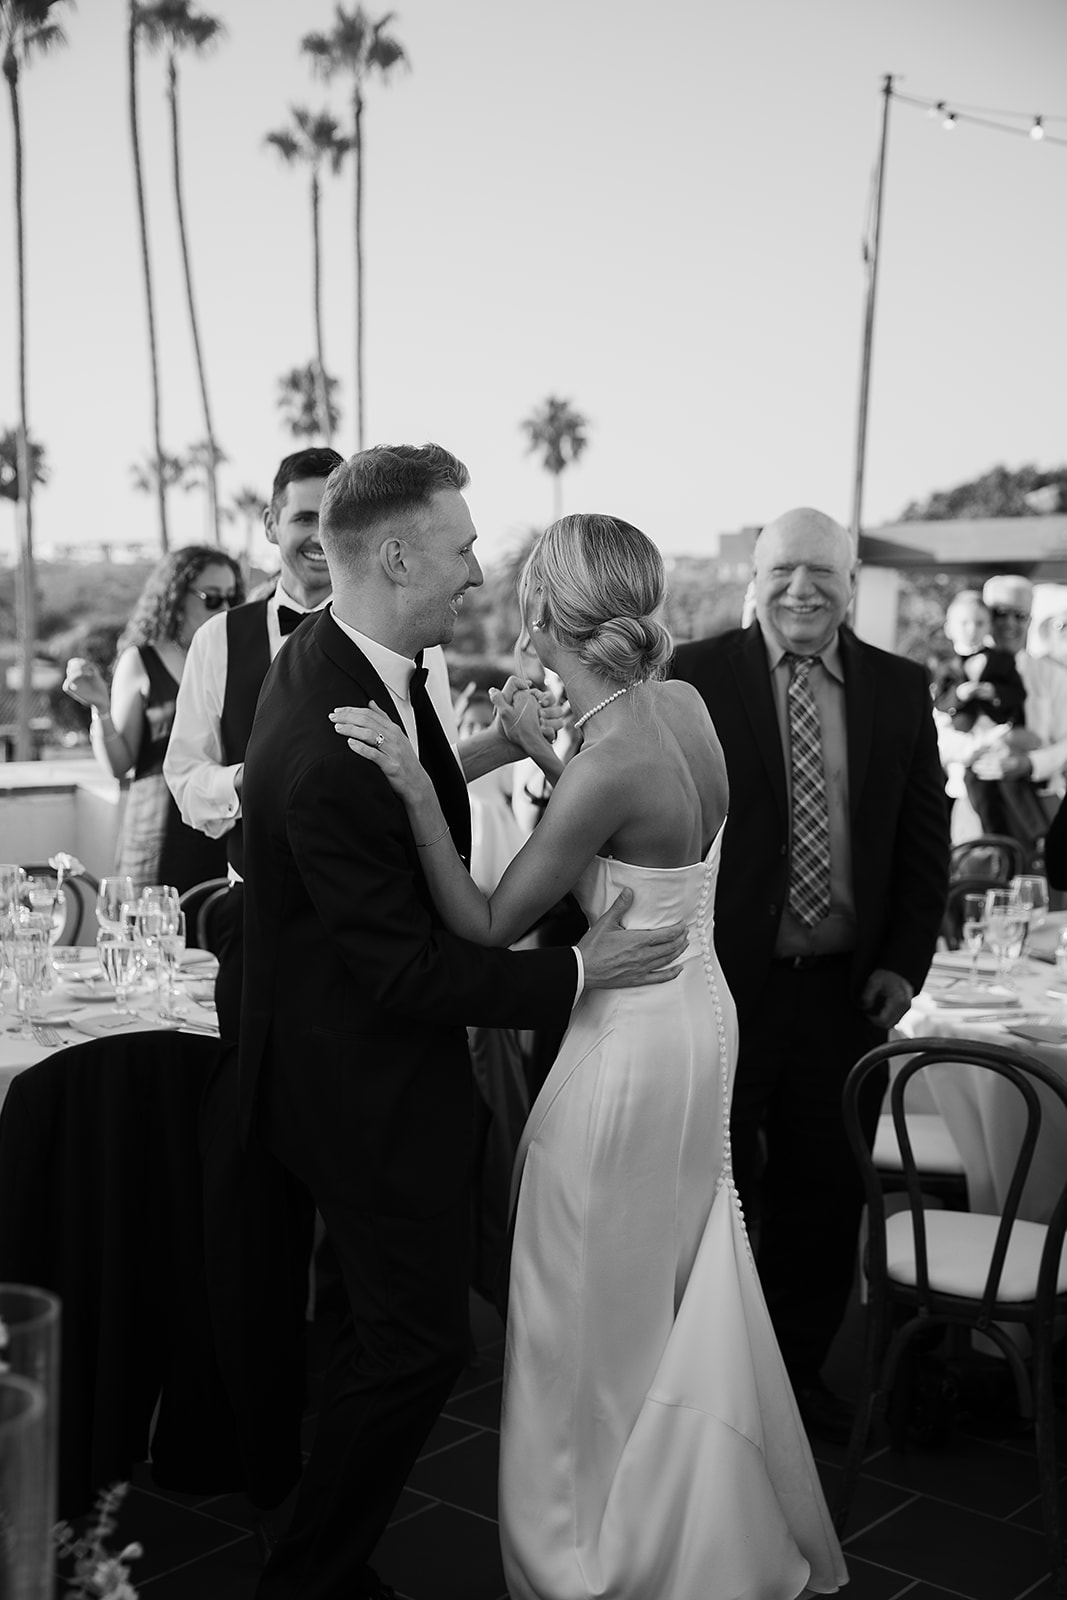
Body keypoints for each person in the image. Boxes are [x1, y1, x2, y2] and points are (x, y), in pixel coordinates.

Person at [334, 510, 847, 1599]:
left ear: (538, 616)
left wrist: (425, 790)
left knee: (575, 1292)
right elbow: (629, 845)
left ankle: (578, 1556)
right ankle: (685, 1518)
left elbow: (481, 920)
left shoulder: (607, 757)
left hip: (624, 1038)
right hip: (702, 1014)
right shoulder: (682, 707)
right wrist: (537, 749)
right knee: (658, 1275)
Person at [239, 448, 688, 1600]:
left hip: (348, 1067)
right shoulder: (331, 734)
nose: (478, 569)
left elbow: (420, 808)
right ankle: (308, 1573)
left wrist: (495, 747)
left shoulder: (350, 663)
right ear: (396, 553)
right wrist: (580, 972)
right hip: (361, 1088)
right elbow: (406, 974)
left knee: (359, 1328)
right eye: (461, 544)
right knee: (420, 1343)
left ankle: (322, 1558)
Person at [671, 507, 949, 1445]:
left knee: (824, 1196)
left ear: (851, 577)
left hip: (842, 998)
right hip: (716, 987)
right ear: (755, 577)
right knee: (708, 1186)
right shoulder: (693, 676)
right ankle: (695, 1383)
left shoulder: (901, 691)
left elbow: (922, 844)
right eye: (783, 569)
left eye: (820, 572)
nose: (801, 589)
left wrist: (903, 967)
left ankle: (790, 1383)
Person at [164, 445, 458, 1040]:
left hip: (387, 914)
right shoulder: (219, 638)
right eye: (303, 517)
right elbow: (185, 782)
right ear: (271, 525)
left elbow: (434, 768)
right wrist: (251, 779)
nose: (319, 533)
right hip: (260, 917)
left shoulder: (417, 643)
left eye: (329, 516)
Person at [62, 546, 244, 892]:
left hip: (223, 834)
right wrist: (100, 708)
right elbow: (120, 765)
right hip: (156, 838)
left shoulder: (236, 659)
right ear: (175, 598)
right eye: (212, 598)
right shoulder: (142, 659)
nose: (224, 609)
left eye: (232, 598)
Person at [936, 574, 1067, 851]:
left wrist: (1029, 763)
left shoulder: (1054, 675)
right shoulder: (959, 671)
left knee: (1037, 890)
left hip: (1039, 807)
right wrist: (996, 743)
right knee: (976, 889)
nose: (1009, 623)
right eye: (1000, 613)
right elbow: (940, 740)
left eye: (1019, 615)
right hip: (974, 806)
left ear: (1030, 620)